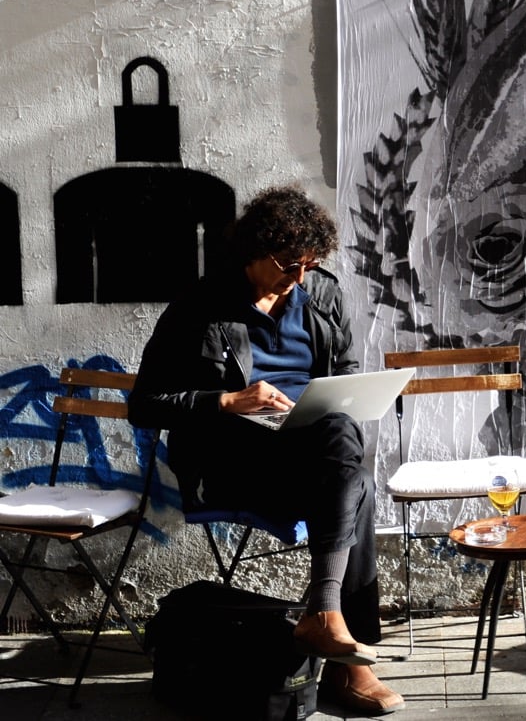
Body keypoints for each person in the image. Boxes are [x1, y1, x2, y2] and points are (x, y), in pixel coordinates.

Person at [128, 186, 403, 716]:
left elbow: (343, 371)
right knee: (354, 478)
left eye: (310, 264)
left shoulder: (322, 296)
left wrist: (332, 397)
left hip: (310, 457)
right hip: (231, 462)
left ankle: (326, 621)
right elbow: (145, 405)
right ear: (250, 252)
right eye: (286, 263)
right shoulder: (199, 308)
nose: (298, 278)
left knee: (341, 443)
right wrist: (228, 400)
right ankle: (347, 662)